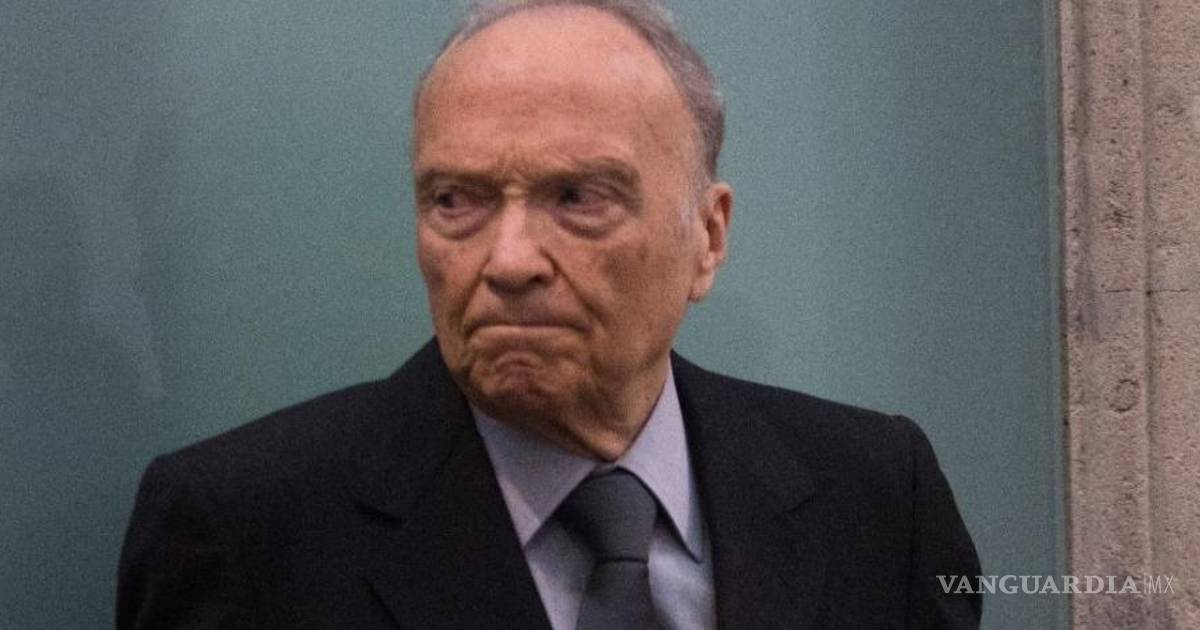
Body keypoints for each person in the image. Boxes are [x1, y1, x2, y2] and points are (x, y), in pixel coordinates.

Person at [117, 1, 982, 628]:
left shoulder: (875, 496)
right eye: (456, 201)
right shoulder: (247, 532)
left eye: (578, 197)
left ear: (708, 237)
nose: (508, 261)